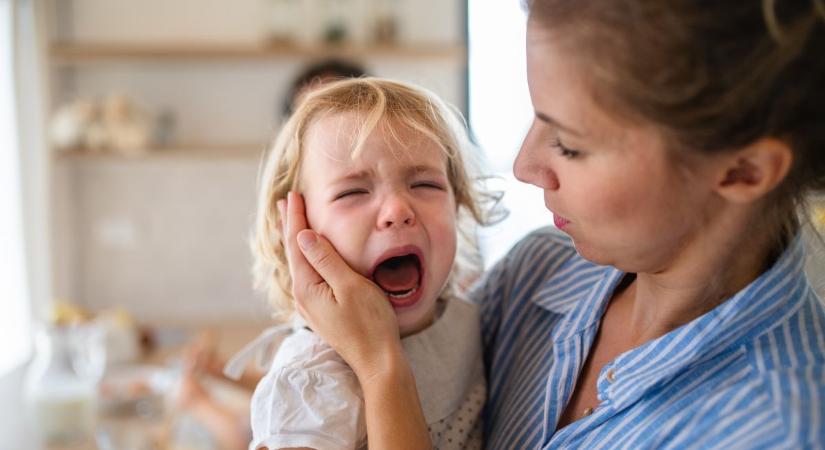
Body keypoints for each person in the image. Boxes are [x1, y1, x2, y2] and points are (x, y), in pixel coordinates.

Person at [280, 0, 825, 448]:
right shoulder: (539, 268)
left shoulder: (774, 431)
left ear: (743, 169)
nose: (524, 165)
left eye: (569, 143)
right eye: (536, 117)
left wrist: (381, 368)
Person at [245, 77, 496, 450]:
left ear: (457, 205)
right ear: (296, 227)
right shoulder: (312, 380)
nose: (397, 211)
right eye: (353, 192)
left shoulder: (468, 319)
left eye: (426, 185)